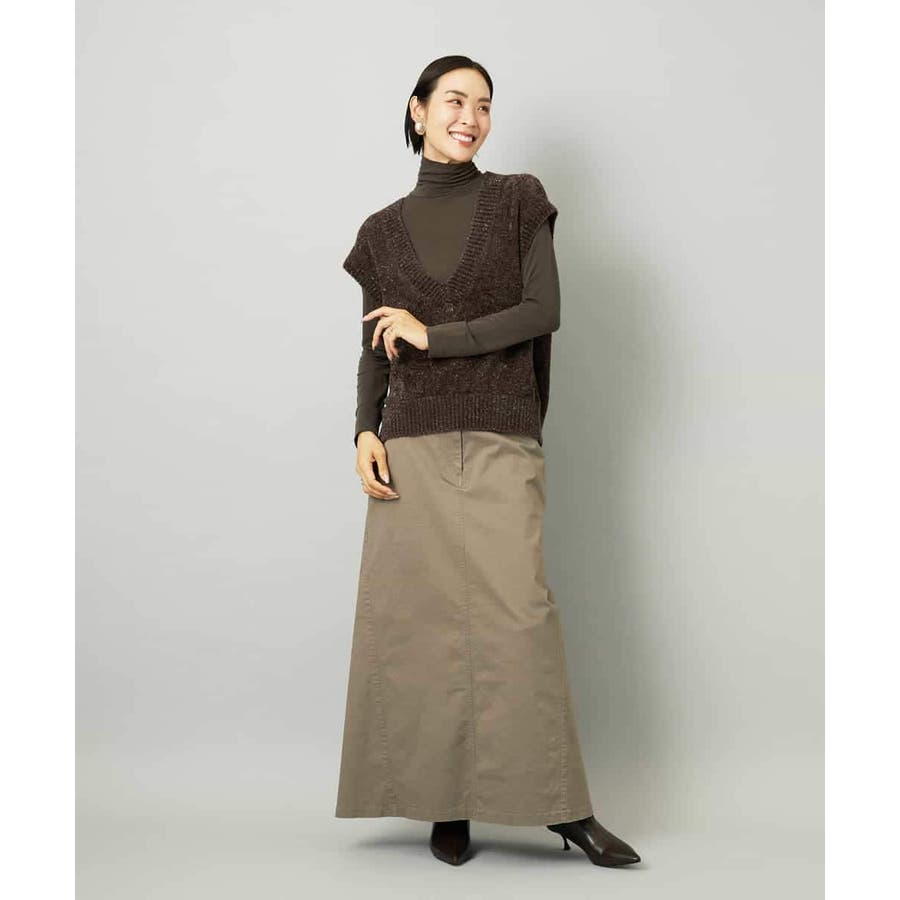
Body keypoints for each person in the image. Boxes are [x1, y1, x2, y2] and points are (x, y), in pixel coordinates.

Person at [335, 55, 641, 869]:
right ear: (418, 110)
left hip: (502, 432)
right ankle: (447, 802)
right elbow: (375, 343)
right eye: (454, 101)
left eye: (483, 104)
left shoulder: (517, 201)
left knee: (519, 615)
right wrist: (363, 430)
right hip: (410, 441)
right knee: (423, 624)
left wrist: (434, 336)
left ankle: (564, 807)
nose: (469, 116)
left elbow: (544, 310)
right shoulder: (379, 233)